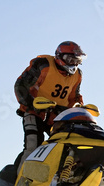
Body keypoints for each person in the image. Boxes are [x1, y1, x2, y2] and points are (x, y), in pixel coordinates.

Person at [13, 41, 86, 173]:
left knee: (69, 143)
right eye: (70, 59)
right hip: (35, 111)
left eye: (77, 60)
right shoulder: (43, 65)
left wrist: (79, 110)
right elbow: (21, 85)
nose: (73, 64)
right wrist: (31, 104)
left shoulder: (77, 75)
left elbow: (73, 98)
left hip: (58, 116)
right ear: (59, 57)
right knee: (34, 144)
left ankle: (65, 176)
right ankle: (20, 181)